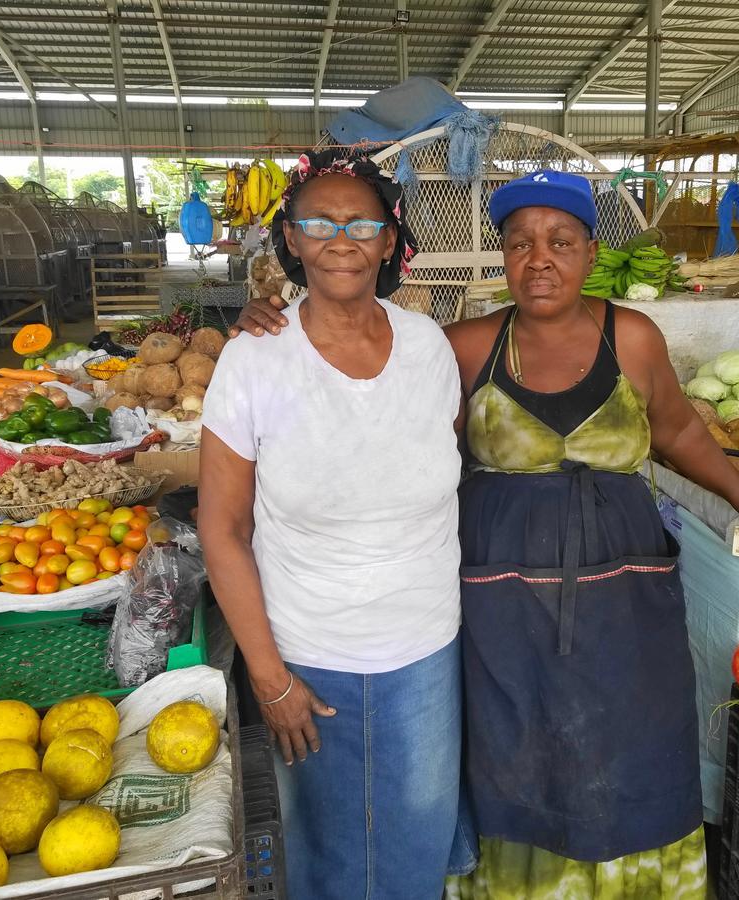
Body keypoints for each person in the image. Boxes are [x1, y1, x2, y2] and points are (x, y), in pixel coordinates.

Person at [234, 168, 739, 898]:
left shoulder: (633, 338)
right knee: (516, 749)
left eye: (561, 241)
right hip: (503, 600)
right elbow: (371, 384)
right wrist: (276, 315)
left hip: (625, 596)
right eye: (520, 242)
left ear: (591, 253)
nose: (541, 259)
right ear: (502, 257)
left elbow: (679, 427)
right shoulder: (463, 347)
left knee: (632, 746)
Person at [199, 150, 475, 899]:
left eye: (361, 223)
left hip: (425, 651)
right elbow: (220, 529)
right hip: (307, 659)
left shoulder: (428, 349)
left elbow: (441, 467)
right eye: (318, 222)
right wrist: (269, 677)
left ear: (390, 240)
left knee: (415, 844)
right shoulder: (254, 361)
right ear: (290, 239)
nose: (340, 238)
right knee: (327, 858)